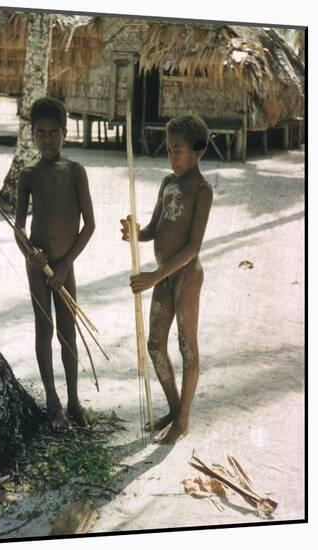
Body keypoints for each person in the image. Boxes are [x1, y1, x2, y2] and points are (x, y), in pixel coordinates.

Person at [120, 114, 213, 445]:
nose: (171, 158)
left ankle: (183, 420)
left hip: (186, 276)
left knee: (187, 346)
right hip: (162, 277)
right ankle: (175, 409)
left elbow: (193, 247)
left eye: (178, 151)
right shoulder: (166, 184)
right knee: (155, 344)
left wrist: (154, 276)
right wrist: (135, 233)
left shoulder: (202, 190)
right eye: (169, 151)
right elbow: (153, 230)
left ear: (198, 151)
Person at [15, 97, 95, 431]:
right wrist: (29, 252)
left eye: (54, 133)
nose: (47, 140)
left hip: (65, 267)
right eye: (40, 133)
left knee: (68, 334)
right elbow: (19, 228)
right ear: (32, 135)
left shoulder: (76, 172)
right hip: (38, 266)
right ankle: (52, 401)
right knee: (44, 330)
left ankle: (74, 401)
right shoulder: (28, 175)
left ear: (65, 133)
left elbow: (89, 224)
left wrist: (65, 265)